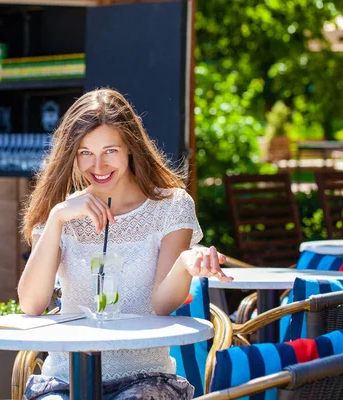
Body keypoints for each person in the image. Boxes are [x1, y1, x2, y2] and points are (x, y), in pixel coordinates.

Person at [18, 88, 233, 400]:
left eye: (110, 151)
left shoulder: (171, 206)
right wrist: (55, 219)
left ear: (130, 148)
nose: (98, 166)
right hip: (65, 380)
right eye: (85, 153)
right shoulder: (60, 213)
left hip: (144, 379)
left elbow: (162, 304)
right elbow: (32, 304)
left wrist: (185, 263)